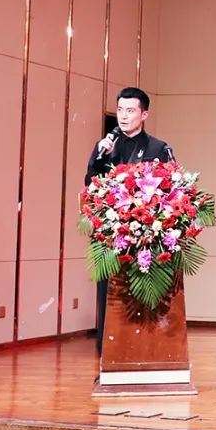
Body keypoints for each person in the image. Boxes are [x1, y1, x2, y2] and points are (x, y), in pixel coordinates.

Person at [84, 87, 176, 353]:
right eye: (120, 110)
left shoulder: (158, 148)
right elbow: (90, 185)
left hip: (145, 237)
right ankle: (107, 353)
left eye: (131, 111)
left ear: (144, 114)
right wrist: (101, 156)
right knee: (109, 295)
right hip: (111, 235)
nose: (123, 116)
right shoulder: (105, 147)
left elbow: (171, 188)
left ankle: (146, 351)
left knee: (143, 293)